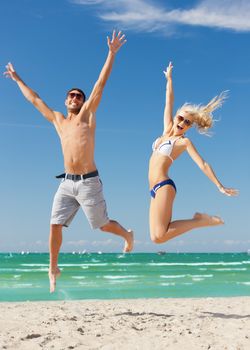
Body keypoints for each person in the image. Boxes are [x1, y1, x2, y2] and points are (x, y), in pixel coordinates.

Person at [5, 30, 134, 293]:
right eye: (71, 95)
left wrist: (111, 53)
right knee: (54, 225)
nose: (75, 98)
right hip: (66, 183)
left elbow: (100, 83)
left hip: (89, 182)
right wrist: (18, 79)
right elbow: (34, 99)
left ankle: (127, 235)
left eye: (79, 96)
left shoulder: (87, 115)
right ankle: (53, 268)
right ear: (66, 100)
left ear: (84, 102)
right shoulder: (58, 120)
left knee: (101, 225)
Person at [149, 62, 238, 245]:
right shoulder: (166, 130)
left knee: (160, 237)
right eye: (181, 118)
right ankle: (199, 220)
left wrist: (219, 186)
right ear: (176, 117)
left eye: (187, 122)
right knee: (156, 237)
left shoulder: (184, 142)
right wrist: (169, 79)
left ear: (190, 127)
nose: (182, 123)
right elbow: (169, 101)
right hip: (153, 189)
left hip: (164, 186)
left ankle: (199, 221)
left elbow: (202, 164)